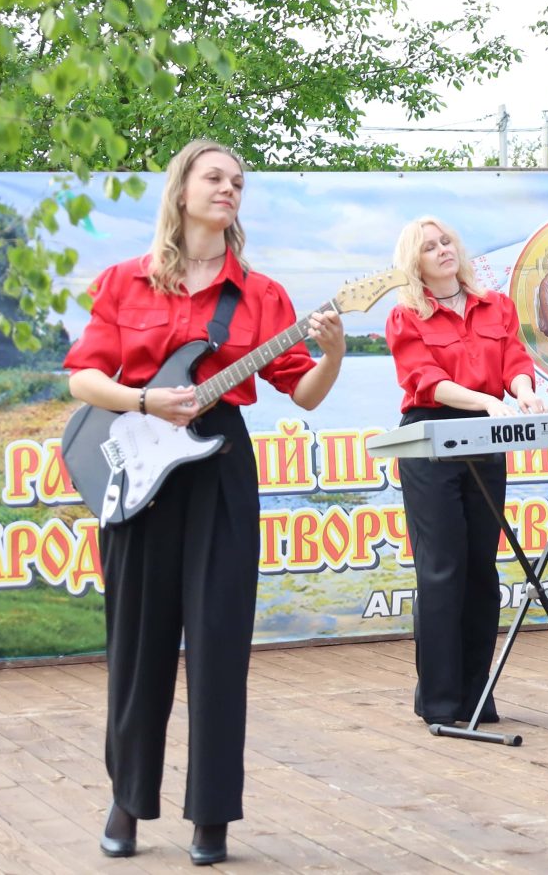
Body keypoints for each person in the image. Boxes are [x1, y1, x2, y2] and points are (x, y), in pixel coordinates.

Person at [63, 140, 345, 865]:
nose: (229, 188)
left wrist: (335, 353)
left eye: (238, 182)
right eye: (215, 176)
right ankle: (127, 798)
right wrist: (144, 400)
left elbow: (304, 392)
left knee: (220, 645)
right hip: (140, 464)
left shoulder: (261, 294)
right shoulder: (124, 281)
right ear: (181, 189)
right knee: (137, 646)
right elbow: (83, 379)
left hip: (220, 465)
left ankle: (212, 815)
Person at [385, 216, 546, 728]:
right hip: (430, 436)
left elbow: (515, 360)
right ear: (415, 263)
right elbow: (425, 379)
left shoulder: (495, 305)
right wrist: (485, 401)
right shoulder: (405, 316)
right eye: (429, 247)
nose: (442, 250)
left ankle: (476, 697)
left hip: (485, 436)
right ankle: (439, 700)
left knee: (482, 568)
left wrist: (523, 392)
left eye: (446, 241)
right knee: (442, 569)